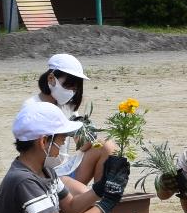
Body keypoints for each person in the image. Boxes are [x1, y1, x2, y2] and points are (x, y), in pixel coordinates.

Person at [32, 52, 125, 190]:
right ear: (51, 78)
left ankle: (101, 193)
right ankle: (93, 201)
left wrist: (86, 135)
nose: (71, 92)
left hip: (65, 168)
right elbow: (35, 154)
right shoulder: (34, 108)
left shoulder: (67, 105)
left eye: (75, 89)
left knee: (107, 146)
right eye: (68, 86)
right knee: (85, 195)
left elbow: (83, 146)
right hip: (44, 177)